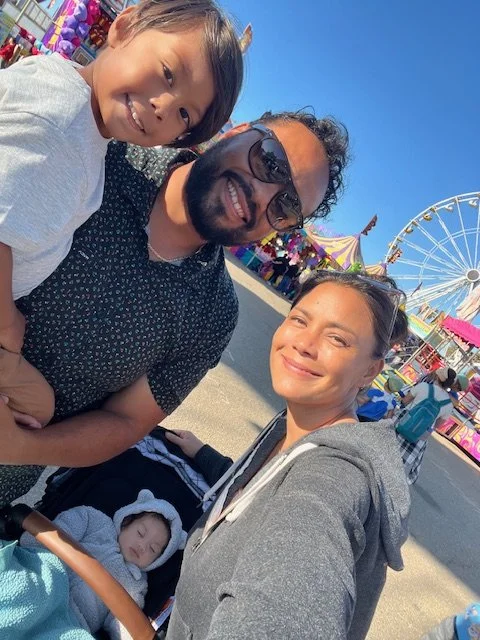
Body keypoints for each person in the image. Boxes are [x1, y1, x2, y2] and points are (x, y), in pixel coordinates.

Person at [0, 109, 350, 505]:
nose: (261, 197)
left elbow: (126, 421)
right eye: (270, 160)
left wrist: (19, 447)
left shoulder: (212, 314)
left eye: (285, 205)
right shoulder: (105, 157)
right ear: (237, 130)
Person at [0, 0, 243, 428]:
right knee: (37, 405)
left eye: (184, 114)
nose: (164, 106)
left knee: (37, 406)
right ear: (125, 26)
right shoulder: (62, 126)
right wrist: (7, 324)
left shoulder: (87, 128)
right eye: (168, 74)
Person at [159, 270, 410, 640]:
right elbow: (262, 496)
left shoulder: (333, 478)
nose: (305, 344)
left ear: (371, 371)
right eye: (300, 320)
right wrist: (203, 454)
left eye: (337, 339)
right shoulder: (291, 426)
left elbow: (291, 591)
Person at [18, 489, 187, 639]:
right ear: (127, 521)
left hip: (70, 621)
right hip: (43, 578)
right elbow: (60, 531)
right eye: (140, 533)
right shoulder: (94, 521)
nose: (142, 546)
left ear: (157, 561)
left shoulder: (136, 585)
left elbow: (122, 622)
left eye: (152, 549)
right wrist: (32, 547)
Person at [396, 367, 458, 485]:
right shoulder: (448, 405)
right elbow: (438, 425)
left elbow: (405, 401)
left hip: (402, 424)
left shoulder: (423, 386)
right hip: (418, 434)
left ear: (438, 377)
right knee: (399, 461)